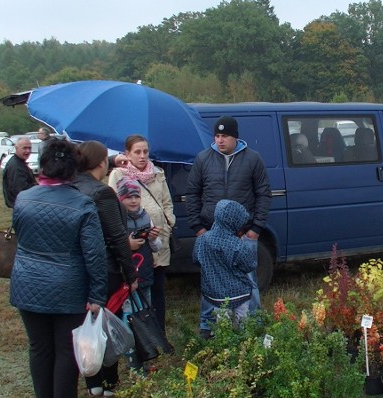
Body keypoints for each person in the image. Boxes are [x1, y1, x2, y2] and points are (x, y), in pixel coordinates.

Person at [9, 138, 107, 398]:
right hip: (67, 286)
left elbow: (21, 238)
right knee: (65, 349)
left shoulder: (24, 199)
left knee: (39, 348)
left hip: (27, 282)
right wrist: (97, 293)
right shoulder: (82, 204)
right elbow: (95, 253)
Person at [186, 116, 271, 339]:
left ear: (235, 137)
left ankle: (253, 324)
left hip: (243, 235)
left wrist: (255, 229)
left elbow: (263, 193)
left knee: (248, 279)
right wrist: (198, 228)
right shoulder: (203, 159)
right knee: (210, 280)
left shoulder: (253, 159)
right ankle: (208, 327)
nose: (220, 140)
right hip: (210, 234)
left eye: (225, 136)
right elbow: (192, 194)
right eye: (217, 136)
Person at [73, 141, 139, 397]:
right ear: (101, 163)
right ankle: (109, 381)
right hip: (107, 269)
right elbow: (116, 236)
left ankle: (92, 381)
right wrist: (130, 273)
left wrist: (115, 162)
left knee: (87, 325)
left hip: (78, 269)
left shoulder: (71, 186)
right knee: (108, 325)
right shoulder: (103, 194)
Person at [108, 134, 175, 333]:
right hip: (135, 246)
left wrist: (168, 224)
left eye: (145, 151)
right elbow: (113, 208)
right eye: (137, 152)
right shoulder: (119, 174)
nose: (142, 156)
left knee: (157, 290)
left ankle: (158, 334)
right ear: (127, 153)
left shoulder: (157, 173)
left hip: (158, 241)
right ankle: (137, 337)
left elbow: (167, 203)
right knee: (136, 294)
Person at [193, 199, 258, 325]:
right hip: (239, 292)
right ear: (235, 222)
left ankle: (223, 340)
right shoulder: (237, 245)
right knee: (242, 322)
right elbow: (250, 265)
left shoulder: (202, 240)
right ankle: (244, 340)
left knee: (222, 323)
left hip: (215, 293)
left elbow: (196, 259)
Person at [116, 179, 158, 307]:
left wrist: (153, 238)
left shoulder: (146, 216)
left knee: (146, 308)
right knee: (128, 311)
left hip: (144, 271)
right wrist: (127, 245)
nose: (133, 201)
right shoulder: (117, 219)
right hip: (124, 276)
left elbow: (156, 248)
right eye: (129, 197)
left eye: (136, 197)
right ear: (121, 198)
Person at [3, 137, 37, 208]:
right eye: (24, 148)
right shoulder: (16, 166)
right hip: (21, 205)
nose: (27, 151)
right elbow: (20, 190)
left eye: (29, 148)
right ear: (16, 148)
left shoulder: (20, 162)